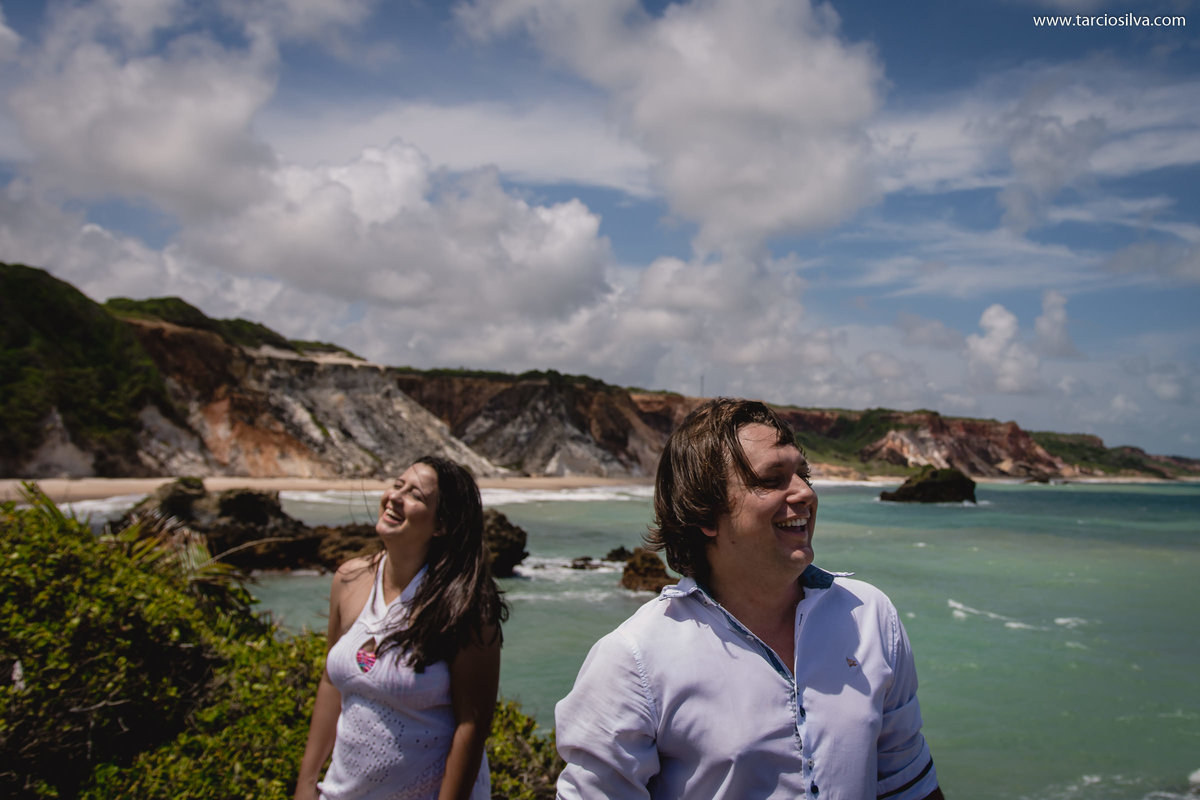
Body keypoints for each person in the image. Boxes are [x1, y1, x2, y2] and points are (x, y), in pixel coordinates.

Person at [555, 398, 945, 800]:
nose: (805, 493)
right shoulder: (634, 660)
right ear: (705, 515)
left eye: (803, 473)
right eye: (772, 479)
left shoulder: (870, 617)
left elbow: (907, 782)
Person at [296, 456, 508, 800]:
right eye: (398, 485)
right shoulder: (349, 579)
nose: (396, 497)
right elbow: (330, 681)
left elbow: (473, 724)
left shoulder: (467, 607)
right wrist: (306, 783)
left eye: (416, 496)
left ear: (441, 525)